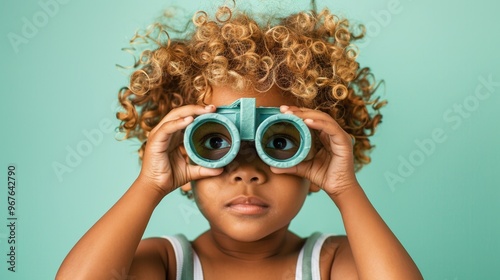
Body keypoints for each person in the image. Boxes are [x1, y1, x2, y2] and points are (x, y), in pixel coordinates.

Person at [57, 2, 423, 279]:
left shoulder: (330, 262)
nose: (246, 173)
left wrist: (344, 188)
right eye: (217, 142)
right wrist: (150, 184)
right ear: (182, 153)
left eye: (278, 144)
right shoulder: (168, 263)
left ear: (317, 156)